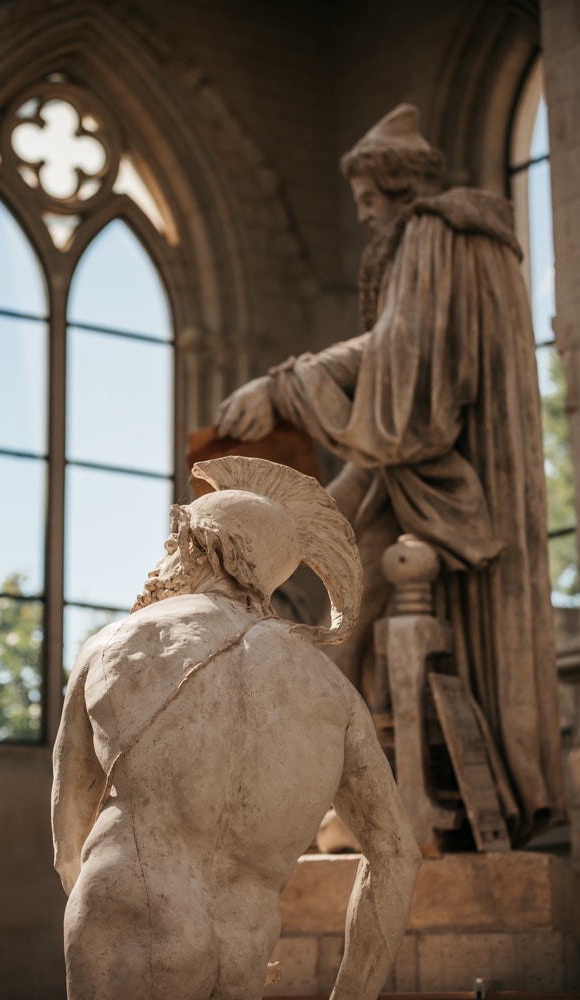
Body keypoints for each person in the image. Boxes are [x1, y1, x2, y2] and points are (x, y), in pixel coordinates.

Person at [216, 104, 565, 846]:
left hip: (434, 473)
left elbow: (408, 357)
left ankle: (378, 802)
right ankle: (358, 794)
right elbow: (395, 343)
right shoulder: (441, 239)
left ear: (400, 185)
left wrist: (283, 387)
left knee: (347, 599)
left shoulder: (436, 233)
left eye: (370, 196)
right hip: (410, 469)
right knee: (322, 561)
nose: (363, 212)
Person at [52, 456, 421, 1000]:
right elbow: (397, 853)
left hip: (126, 923)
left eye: (172, 544)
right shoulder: (334, 694)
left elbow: (68, 841)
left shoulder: (116, 644)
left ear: (200, 546)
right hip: (243, 952)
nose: (162, 560)